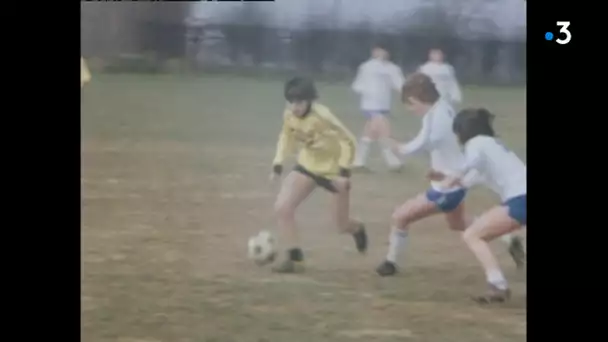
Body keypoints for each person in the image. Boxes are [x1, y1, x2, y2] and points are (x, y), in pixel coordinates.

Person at [375, 73, 524, 277]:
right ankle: (507, 239)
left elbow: (423, 144)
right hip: (454, 181)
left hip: (449, 185)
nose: (411, 111)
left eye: (409, 106)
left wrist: (390, 142)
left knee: (400, 216)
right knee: (457, 224)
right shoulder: (441, 108)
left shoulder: (438, 116)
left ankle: (390, 264)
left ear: (413, 100)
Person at [270, 76, 368, 273]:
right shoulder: (289, 115)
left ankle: (357, 229)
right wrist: (278, 162)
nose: (294, 107)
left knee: (340, 225)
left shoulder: (324, 116)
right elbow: (286, 136)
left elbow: (348, 140)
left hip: (333, 173)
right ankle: (295, 259)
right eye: (290, 102)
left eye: (299, 102)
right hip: (307, 167)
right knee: (282, 208)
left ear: (310, 100)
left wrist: (343, 172)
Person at [431, 108, 526, 303]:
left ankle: (498, 285)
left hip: (521, 197)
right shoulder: (491, 144)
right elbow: (472, 178)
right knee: (475, 234)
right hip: (521, 196)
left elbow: (469, 165)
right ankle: (497, 284)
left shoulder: (476, 143)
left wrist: (451, 179)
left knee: (473, 235)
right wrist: (448, 177)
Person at [351, 42, 405, 172]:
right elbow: (358, 85)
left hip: (383, 105)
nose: (381, 54)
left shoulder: (392, 68)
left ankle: (358, 162)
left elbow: (400, 84)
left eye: (383, 51)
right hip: (370, 105)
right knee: (384, 131)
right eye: (378, 51)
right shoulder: (366, 67)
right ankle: (393, 163)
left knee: (371, 133)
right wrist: (367, 91)